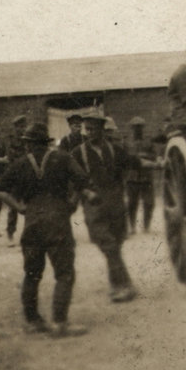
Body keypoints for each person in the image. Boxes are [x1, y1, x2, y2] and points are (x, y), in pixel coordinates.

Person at [0, 123, 95, 337]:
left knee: (31, 274)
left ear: (29, 144)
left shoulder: (20, 163)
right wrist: (72, 203)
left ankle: (33, 322)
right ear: (46, 142)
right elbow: (82, 181)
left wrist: (20, 207)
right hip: (58, 220)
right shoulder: (63, 158)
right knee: (65, 273)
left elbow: (0, 188)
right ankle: (60, 323)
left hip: (32, 221)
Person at [72, 111, 142, 302]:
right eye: (87, 129)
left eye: (93, 129)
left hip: (116, 204)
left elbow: (133, 163)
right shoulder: (78, 153)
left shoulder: (115, 150)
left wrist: (158, 163)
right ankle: (123, 286)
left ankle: (117, 284)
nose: (89, 133)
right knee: (108, 245)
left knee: (116, 244)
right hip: (94, 205)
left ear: (103, 130)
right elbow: (72, 179)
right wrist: (86, 193)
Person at [125, 117, 158, 234]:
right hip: (132, 177)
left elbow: (154, 155)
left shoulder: (149, 140)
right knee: (131, 203)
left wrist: (143, 156)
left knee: (149, 203)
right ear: (132, 128)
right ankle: (132, 226)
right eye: (135, 127)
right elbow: (124, 158)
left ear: (143, 128)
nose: (137, 129)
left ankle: (146, 226)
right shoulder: (127, 141)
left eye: (140, 127)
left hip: (146, 176)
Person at [5, 114, 29, 245]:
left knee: (29, 205)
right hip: (16, 178)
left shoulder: (28, 140)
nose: (22, 129)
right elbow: (11, 159)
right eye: (20, 127)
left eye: (24, 126)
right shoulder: (11, 141)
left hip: (27, 178)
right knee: (13, 206)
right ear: (15, 128)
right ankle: (10, 233)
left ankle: (28, 233)